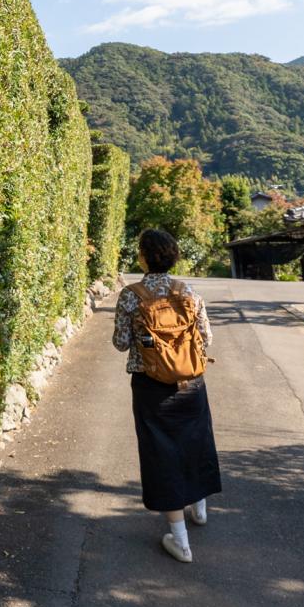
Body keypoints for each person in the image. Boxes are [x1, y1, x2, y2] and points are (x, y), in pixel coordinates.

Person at [112, 228, 222, 564]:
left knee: (162, 455)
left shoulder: (131, 295)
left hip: (150, 387)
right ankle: (200, 511)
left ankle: (181, 542)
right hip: (192, 381)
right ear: (173, 255)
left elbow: (120, 343)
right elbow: (206, 338)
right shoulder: (188, 292)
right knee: (195, 443)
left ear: (144, 257)